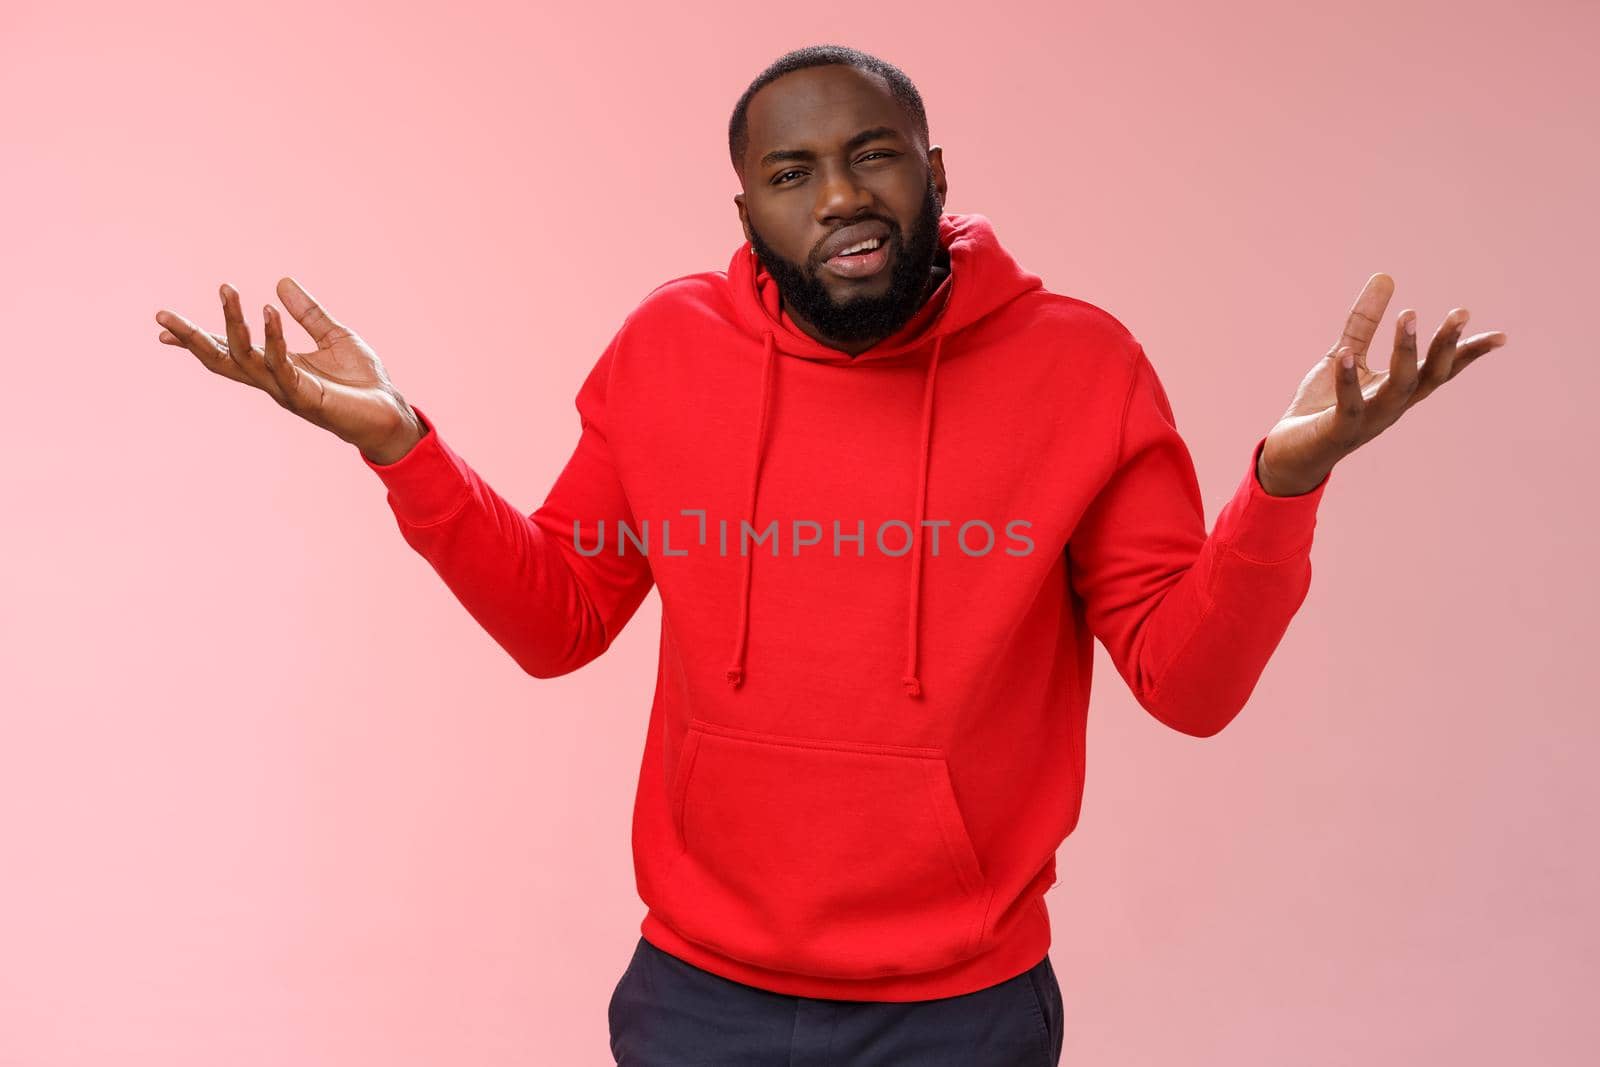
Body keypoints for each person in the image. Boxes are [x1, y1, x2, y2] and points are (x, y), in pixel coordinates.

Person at [153, 42, 1508, 1067]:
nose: (842, 197)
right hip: (697, 995)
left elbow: (1187, 684)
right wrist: (402, 445)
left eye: (876, 154)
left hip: (963, 1011)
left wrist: (1282, 485)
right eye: (793, 174)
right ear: (746, 205)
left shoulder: (1082, 367)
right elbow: (560, 620)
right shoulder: (665, 350)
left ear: (935, 171)